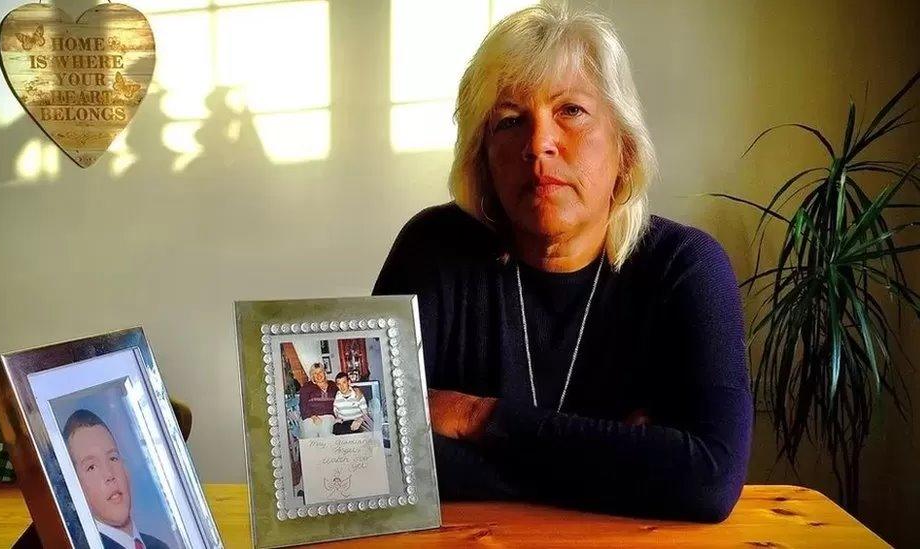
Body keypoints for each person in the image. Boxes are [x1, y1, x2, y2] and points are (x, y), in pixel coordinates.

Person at [373, 3, 752, 523]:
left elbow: (707, 480)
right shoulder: (431, 251)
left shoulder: (686, 267)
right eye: (509, 121)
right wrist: (621, 457)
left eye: (571, 111)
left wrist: (475, 417)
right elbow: (375, 459)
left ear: (625, 145)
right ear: (482, 156)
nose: (538, 144)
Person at [62, 409, 170, 549]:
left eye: (113, 458)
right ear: (76, 486)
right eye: (92, 467)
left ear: (126, 469)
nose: (109, 475)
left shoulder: (160, 546)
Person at [298, 364, 337, 438]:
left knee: (326, 434)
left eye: (320, 372)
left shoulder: (333, 385)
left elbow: (344, 390)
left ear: (324, 373)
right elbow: (303, 405)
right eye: (315, 373)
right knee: (310, 437)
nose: (318, 375)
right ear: (312, 375)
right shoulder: (306, 386)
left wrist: (356, 390)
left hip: (328, 415)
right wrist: (313, 417)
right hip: (310, 417)